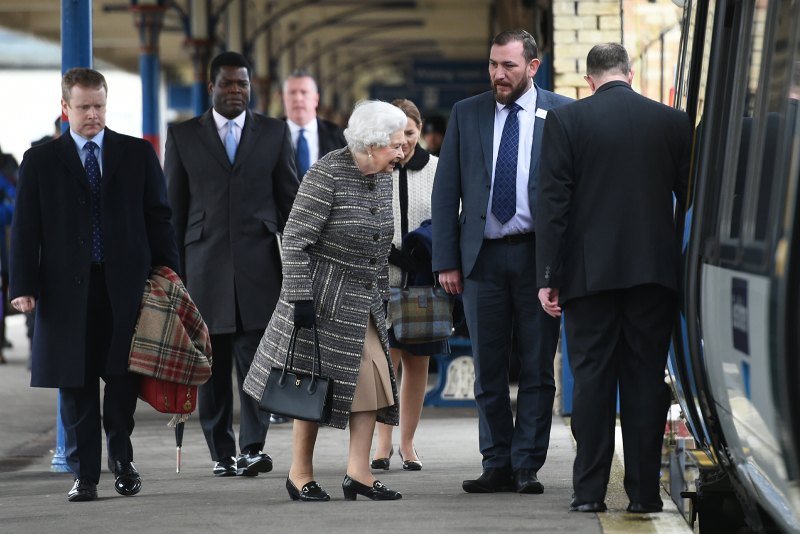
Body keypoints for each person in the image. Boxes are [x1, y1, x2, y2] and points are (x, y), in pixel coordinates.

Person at [9, 67, 180, 501]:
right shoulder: (41, 161)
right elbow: (26, 229)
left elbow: (159, 218)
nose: (93, 115)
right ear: (65, 108)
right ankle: (85, 476)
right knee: (77, 381)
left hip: (126, 286)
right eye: (83, 107)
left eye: (99, 106)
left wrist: (170, 274)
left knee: (122, 379)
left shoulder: (137, 154)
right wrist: (22, 285)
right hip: (66, 292)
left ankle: (122, 461)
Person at [535, 43, 691, 513]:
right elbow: (689, 200)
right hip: (653, 276)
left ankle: (588, 495)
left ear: (588, 80)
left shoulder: (567, 121)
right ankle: (645, 497)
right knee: (645, 382)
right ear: (630, 73)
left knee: (593, 382)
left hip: (589, 278)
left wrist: (549, 275)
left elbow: (553, 205)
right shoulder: (671, 121)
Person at [431, 29, 572, 495]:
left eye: (508, 65)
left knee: (535, 367)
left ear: (533, 67)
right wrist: (446, 260)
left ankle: (527, 464)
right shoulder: (466, 113)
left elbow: (575, 194)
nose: (498, 74)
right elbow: (445, 189)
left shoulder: (564, 114)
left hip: (539, 258)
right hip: (481, 260)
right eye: (493, 64)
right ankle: (496, 462)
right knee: (488, 368)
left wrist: (565, 266)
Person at [243, 100, 406, 502]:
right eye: (396, 146)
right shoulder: (326, 173)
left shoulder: (382, 176)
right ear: (371, 145)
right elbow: (295, 241)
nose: (402, 153)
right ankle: (299, 474)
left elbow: (377, 242)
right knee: (310, 385)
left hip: (362, 300)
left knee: (373, 383)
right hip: (319, 299)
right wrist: (300, 298)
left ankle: (359, 474)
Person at [164, 51, 299, 478]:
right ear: (211, 88)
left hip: (260, 268)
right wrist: (174, 277)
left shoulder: (275, 133)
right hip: (204, 271)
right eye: (227, 84)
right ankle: (222, 452)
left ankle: (253, 448)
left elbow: (290, 202)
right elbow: (174, 211)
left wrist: (301, 260)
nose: (236, 91)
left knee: (259, 366)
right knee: (213, 370)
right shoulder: (183, 136)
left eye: (242, 83)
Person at [371, 98, 440, 472]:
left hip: (421, 280)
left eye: (411, 133)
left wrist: (421, 244)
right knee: (385, 362)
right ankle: (382, 444)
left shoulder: (436, 169)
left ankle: (408, 443)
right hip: (380, 280)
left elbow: (451, 215)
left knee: (417, 363)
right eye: (399, 135)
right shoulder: (375, 167)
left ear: (420, 130)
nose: (406, 142)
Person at [282, 70, 347, 180]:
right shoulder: (268, 136)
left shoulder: (339, 137)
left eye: (304, 92)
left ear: (316, 99)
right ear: (284, 98)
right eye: (292, 92)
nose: (298, 98)